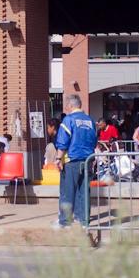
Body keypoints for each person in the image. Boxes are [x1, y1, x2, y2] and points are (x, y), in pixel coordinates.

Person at [55, 93, 97, 229]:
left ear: (70, 105)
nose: (66, 108)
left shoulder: (69, 120)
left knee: (67, 192)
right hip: (88, 159)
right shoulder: (90, 121)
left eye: (67, 106)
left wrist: (58, 158)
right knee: (84, 191)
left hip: (71, 160)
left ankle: (65, 221)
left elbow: (62, 141)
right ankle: (84, 221)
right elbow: (94, 140)